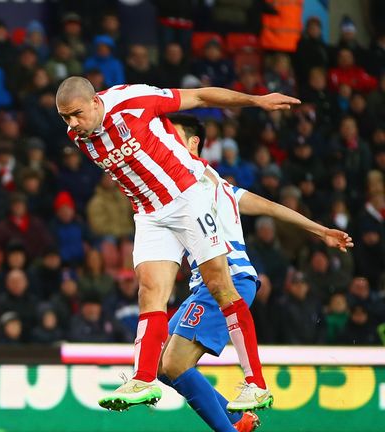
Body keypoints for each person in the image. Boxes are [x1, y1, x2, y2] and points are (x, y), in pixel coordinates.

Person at [55, 76, 299, 410]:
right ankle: (143, 379)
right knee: (149, 291)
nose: (72, 124)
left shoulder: (133, 101)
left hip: (187, 197)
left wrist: (256, 101)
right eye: (65, 117)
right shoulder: (78, 135)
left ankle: (256, 384)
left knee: (219, 285)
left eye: (76, 114)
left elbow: (199, 96)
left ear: (96, 101)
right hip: (149, 213)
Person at [154, 114, 353, 430]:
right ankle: (238, 420)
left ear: (193, 143)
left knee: (175, 363)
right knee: (162, 365)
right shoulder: (223, 188)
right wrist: (320, 230)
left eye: (172, 135)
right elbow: (271, 207)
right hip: (214, 283)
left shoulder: (195, 178)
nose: (164, 141)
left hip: (224, 279)